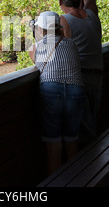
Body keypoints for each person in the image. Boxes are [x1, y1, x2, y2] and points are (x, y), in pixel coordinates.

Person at [29, 11, 87, 175]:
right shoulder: (71, 44)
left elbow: (39, 63)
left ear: (40, 29)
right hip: (76, 91)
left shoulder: (37, 47)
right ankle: (76, 180)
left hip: (51, 91)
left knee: (53, 145)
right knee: (71, 141)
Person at [51, 0, 103, 144]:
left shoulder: (62, 20)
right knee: (91, 121)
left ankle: (90, 166)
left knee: (83, 129)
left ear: (60, 1)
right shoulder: (92, 14)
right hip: (98, 76)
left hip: (79, 79)